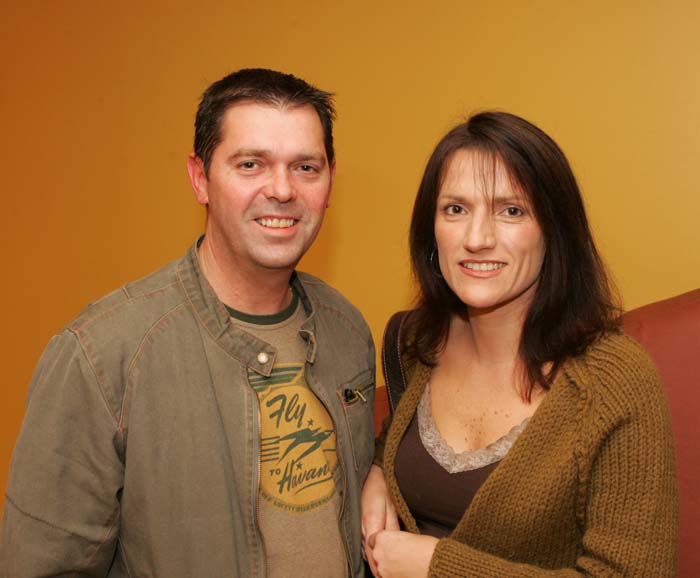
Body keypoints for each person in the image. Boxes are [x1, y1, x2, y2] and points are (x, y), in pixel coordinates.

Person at [1, 68, 376, 578]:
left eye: (306, 167)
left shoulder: (347, 329)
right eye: (251, 164)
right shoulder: (101, 353)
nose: (283, 190)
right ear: (200, 178)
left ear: (330, 181)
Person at [361, 111, 678, 578]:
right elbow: (391, 445)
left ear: (554, 230)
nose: (477, 238)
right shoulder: (417, 342)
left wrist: (436, 567)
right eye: (456, 209)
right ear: (431, 230)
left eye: (511, 211)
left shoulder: (614, 381)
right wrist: (375, 475)